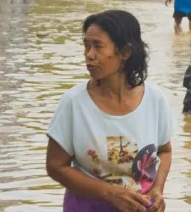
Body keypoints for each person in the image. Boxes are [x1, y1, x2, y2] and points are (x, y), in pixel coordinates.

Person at [46, 11, 175, 212]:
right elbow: (55, 166)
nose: (89, 54)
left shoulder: (154, 100)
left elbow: (165, 151)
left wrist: (157, 189)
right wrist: (109, 192)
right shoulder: (73, 103)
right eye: (86, 46)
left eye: (97, 46)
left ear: (125, 52)